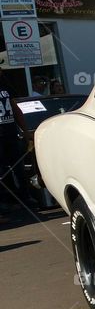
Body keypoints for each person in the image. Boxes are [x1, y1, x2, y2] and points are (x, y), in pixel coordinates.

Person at [0, 69, 30, 213]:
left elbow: (15, 108)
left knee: (18, 166)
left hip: (10, 133)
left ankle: (25, 198)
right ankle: (4, 202)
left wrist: (24, 130)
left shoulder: (5, 85)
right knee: (1, 170)